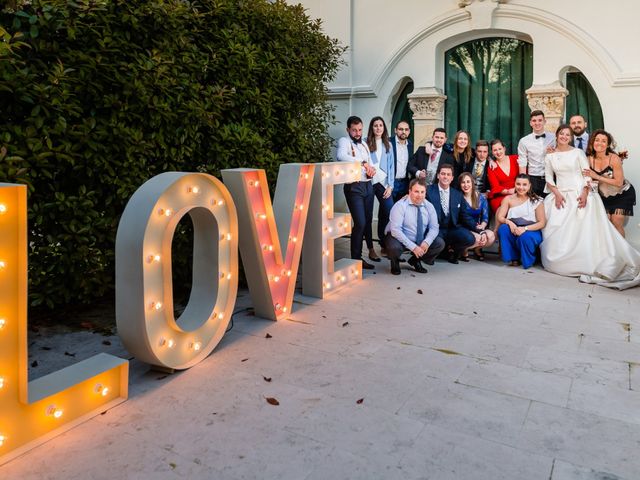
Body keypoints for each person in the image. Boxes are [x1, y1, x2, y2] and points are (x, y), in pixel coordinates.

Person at [541, 124, 640, 290]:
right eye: (562, 134)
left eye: (568, 134)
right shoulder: (550, 156)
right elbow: (549, 178)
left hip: (582, 193)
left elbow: (586, 175)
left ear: (571, 138)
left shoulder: (578, 153)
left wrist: (585, 193)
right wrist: (557, 194)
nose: (564, 137)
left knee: (595, 227)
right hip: (561, 194)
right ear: (556, 136)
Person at [336, 115, 376, 270]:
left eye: (360, 129)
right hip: (354, 188)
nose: (358, 133)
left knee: (366, 221)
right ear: (348, 130)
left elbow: (370, 163)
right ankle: (356, 259)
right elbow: (341, 156)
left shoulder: (364, 144)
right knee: (359, 223)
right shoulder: (344, 141)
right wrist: (363, 163)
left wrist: (371, 169)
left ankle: (361, 257)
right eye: (354, 130)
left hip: (367, 185)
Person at [582, 129, 636, 237]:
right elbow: (590, 182)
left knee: (616, 221)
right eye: (597, 140)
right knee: (605, 222)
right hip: (603, 196)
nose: (600, 143)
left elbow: (619, 182)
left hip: (622, 194)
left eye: (603, 141)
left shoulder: (614, 158)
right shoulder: (588, 159)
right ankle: (609, 250)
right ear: (592, 142)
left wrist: (597, 176)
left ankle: (621, 252)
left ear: (607, 145)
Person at [384, 179, 445, 275]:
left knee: (439, 243)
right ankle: (394, 262)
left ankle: (415, 260)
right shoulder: (400, 206)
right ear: (410, 191)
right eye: (416, 191)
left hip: (419, 238)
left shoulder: (429, 206)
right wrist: (413, 247)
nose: (419, 195)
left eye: (422, 192)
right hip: (398, 238)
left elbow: (434, 227)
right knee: (394, 247)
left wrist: (426, 242)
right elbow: (395, 231)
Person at [426, 164, 476, 264]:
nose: (445, 177)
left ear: (452, 178)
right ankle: (428, 256)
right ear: (438, 175)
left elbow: (464, 215)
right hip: (435, 229)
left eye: (448, 174)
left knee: (470, 238)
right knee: (439, 243)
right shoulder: (428, 191)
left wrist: (478, 229)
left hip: (452, 229)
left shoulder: (457, 194)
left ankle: (453, 253)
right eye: (443, 174)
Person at [495, 174, 546, 268]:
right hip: (514, 227)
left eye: (524, 184)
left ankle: (530, 259)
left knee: (525, 237)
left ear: (529, 185)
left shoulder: (536, 201)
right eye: (518, 184)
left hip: (531, 230)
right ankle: (514, 258)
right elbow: (500, 217)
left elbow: (542, 223)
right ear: (514, 184)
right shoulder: (508, 199)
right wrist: (509, 222)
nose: (521, 187)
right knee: (503, 229)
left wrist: (525, 228)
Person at [365, 116, 395, 260]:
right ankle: (371, 248)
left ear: (384, 128)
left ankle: (387, 245)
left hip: (384, 184)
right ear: (372, 128)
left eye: (381, 125)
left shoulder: (388, 144)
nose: (378, 128)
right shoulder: (365, 143)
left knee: (391, 212)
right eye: (375, 125)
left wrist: (390, 186)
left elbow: (391, 167)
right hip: (370, 183)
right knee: (368, 216)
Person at [517, 110, 555, 196]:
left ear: (545, 121)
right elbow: (522, 162)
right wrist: (523, 182)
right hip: (533, 178)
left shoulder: (554, 138)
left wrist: (553, 153)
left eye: (540, 120)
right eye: (534, 121)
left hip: (552, 176)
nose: (537, 123)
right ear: (530, 123)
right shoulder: (524, 141)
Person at [459, 172, 495, 261]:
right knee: (478, 238)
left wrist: (482, 226)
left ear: (472, 183)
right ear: (460, 184)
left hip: (478, 227)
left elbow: (485, 216)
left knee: (491, 236)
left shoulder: (481, 197)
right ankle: (463, 249)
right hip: (464, 227)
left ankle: (477, 249)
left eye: (468, 182)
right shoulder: (458, 197)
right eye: (463, 182)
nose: (466, 185)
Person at [487, 138, 519, 213]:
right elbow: (496, 187)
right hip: (501, 196)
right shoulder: (492, 167)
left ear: (504, 148)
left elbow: (524, 176)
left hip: (519, 191)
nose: (498, 152)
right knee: (504, 208)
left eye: (500, 149)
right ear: (492, 152)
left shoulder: (515, 159)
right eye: (495, 150)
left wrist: (517, 190)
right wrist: (509, 192)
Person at [391, 121, 413, 203]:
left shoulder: (410, 145)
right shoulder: (389, 142)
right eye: (401, 129)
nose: (404, 132)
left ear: (409, 131)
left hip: (404, 182)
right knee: (386, 210)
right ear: (395, 130)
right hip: (391, 182)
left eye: (406, 129)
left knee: (401, 208)